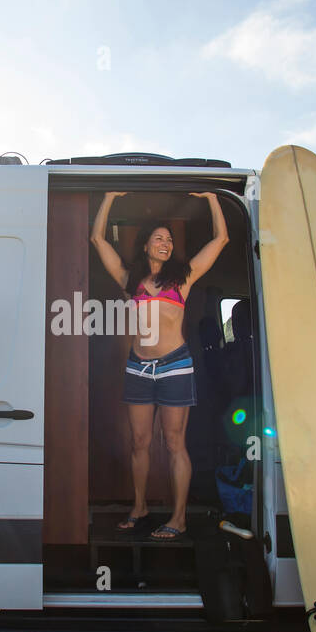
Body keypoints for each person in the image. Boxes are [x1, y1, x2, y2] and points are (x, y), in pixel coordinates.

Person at [89, 191, 229, 540]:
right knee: (139, 442)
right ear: (146, 245)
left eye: (169, 239)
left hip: (175, 366)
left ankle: (179, 518)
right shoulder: (129, 280)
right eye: (159, 238)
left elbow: (221, 238)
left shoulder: (183, 278)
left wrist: (212, 198)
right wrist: (108, 197)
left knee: (174, 443)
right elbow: (97, 239)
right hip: (138, 367)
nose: (165, 243)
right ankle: (139, 507)